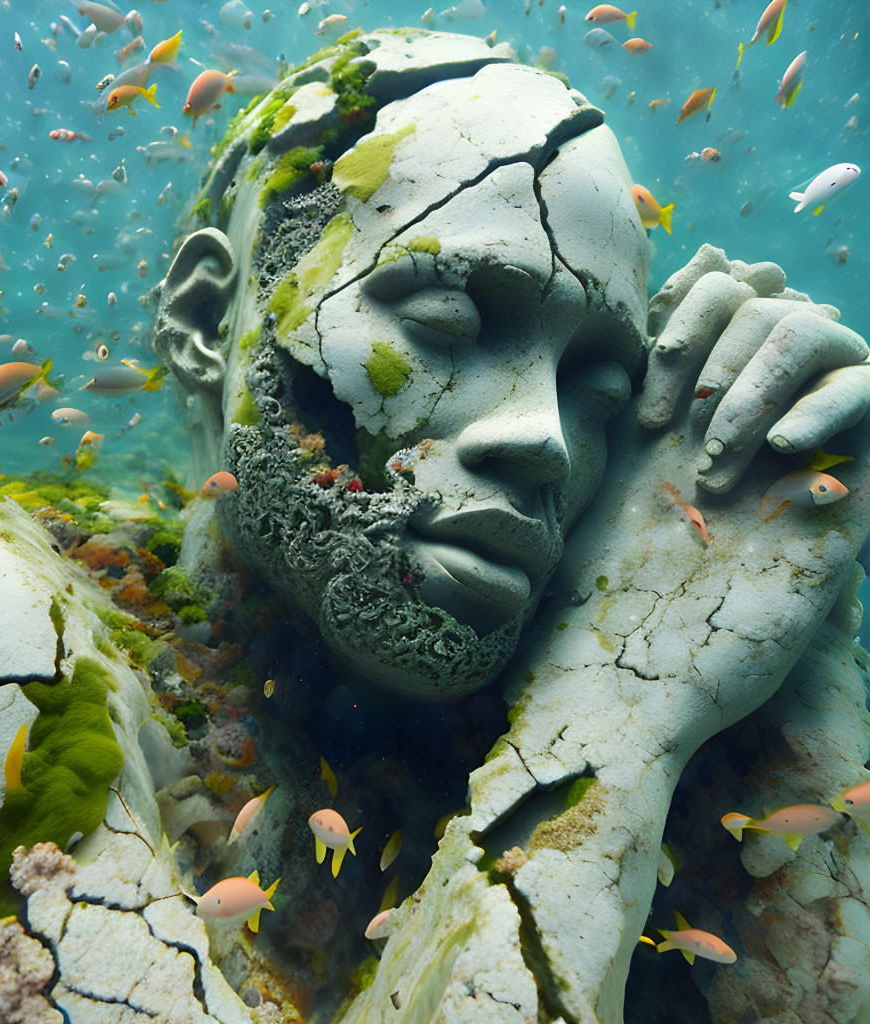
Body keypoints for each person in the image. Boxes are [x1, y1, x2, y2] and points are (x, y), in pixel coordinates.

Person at [155, 30, 870, 1023]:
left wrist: (802, 645)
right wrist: (620, 717)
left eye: (599, 388)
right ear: (204, 316)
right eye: (445, 321)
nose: (543, 437)